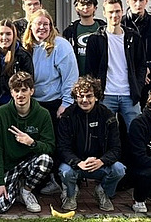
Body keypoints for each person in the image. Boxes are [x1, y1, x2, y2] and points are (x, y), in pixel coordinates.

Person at [56, 75, 124, 212]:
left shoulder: (108, 116)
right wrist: (77, 162)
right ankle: (71, 195)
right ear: (76, 98)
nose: (85, 100)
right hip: (76, 165)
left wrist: (102, 161)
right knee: (65, 171)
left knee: (119, 169)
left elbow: (116, 149)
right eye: (81, 96)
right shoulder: (67, 116)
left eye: (89, 96)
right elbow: (62, 148)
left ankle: (103, 192)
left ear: (97, 97)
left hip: (100, 164)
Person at [0, 72, 55, 214]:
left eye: (24, 90)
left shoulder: (43, 114)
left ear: (32, 91)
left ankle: (26, 191)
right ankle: (16, 189)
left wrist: (32, 142)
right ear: (11, 93)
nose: (20, 94)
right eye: (16, 90)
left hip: (30, 163)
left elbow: (50, 147)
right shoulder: (1, 113)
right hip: (10, 167)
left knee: (45, 160)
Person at [84, 0, 147, 125]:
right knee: (105, 134)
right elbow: (90, 69)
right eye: (111, 12)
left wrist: (138, 87)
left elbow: (141, 65)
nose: (114, 15)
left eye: (117, 11)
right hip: (106, 95)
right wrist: (96, 92)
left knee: (136, 132)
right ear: (104, 13)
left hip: (129, 95)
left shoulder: (133, 37)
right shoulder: (95, 39)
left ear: (122, 11)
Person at [21, 9, 77, 123]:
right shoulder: (24, 47)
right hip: (30, 103)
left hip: (55, 103)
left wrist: (66, 103)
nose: (42, 27)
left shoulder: (61, 46)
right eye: (38, 24)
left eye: (46, 24)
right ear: (30, 26)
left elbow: (70, 77)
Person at [62, 0, 106, 76]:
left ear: (95, 8)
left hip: (99, 76)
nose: (85, 8)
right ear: (76, 8)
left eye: (89, 5)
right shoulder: (69, 32)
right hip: (77, 77)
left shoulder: (104, 29)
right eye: (82, 5)